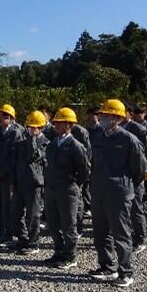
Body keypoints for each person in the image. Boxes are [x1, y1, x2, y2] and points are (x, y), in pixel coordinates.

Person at [88, 100, 147, 288]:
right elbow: (94, 164)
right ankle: (107, 267)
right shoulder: (98, 137)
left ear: (116, 118)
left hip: (119, 193)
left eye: (105, 115)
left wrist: (124, 185)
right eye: (102, 115)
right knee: (101, 233)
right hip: (99, 192)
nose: (102, 118)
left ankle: (126, 272)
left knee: (120, 234)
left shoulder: (129, 139)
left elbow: (139, 169)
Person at [43, 108, 90, 269]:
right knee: (53, 223)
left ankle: (70, 256)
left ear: (69, 124)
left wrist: (75, 184)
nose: (55, 125)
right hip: (51, 189)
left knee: (68, 224)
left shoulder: (76, 146)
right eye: (55, 122)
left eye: (59, 122)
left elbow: (84, 170)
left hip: (67, 189)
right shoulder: (53, 144)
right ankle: (58, 252)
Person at [10, 111, 50, 255]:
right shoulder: (22, 143)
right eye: (29, 127)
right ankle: (22, 239)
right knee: (16, 213)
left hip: (34, 184)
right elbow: (15, 162)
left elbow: (35, 156)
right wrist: (13, 181)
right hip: (20, 182)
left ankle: (33, 243)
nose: (31, 129)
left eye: (34, 127)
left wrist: (33, 139)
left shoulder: (45, 143)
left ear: (41, 127)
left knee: (33, 215)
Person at [0, 104, 23, 245]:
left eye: (4, 116)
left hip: (7, 175)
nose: (1, 118)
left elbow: (13, 157)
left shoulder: (16, 133)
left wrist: (2, 173)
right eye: (0, 115)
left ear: (11, 118)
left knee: (7, 206)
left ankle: (8, 235)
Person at [122, 103, 147, 254]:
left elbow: (146, 153)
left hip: (135, 175)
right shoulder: (114, 130)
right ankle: (127, 236)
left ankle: (140, 239)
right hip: (121, 175)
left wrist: (139, 174)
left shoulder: (138, 130)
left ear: (129, 113)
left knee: (136, 208)